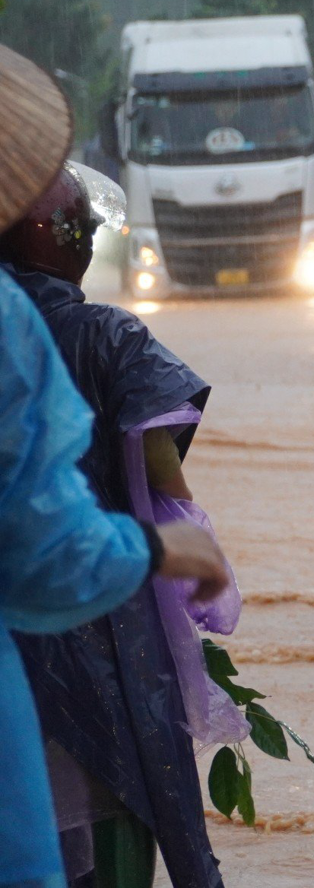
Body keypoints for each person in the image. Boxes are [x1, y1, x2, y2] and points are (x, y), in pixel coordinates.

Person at [0, 46, 229, 888]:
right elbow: (44, 548)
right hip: (82, 658)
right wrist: (166, 548)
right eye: (76, 225)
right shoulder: (82, 336)